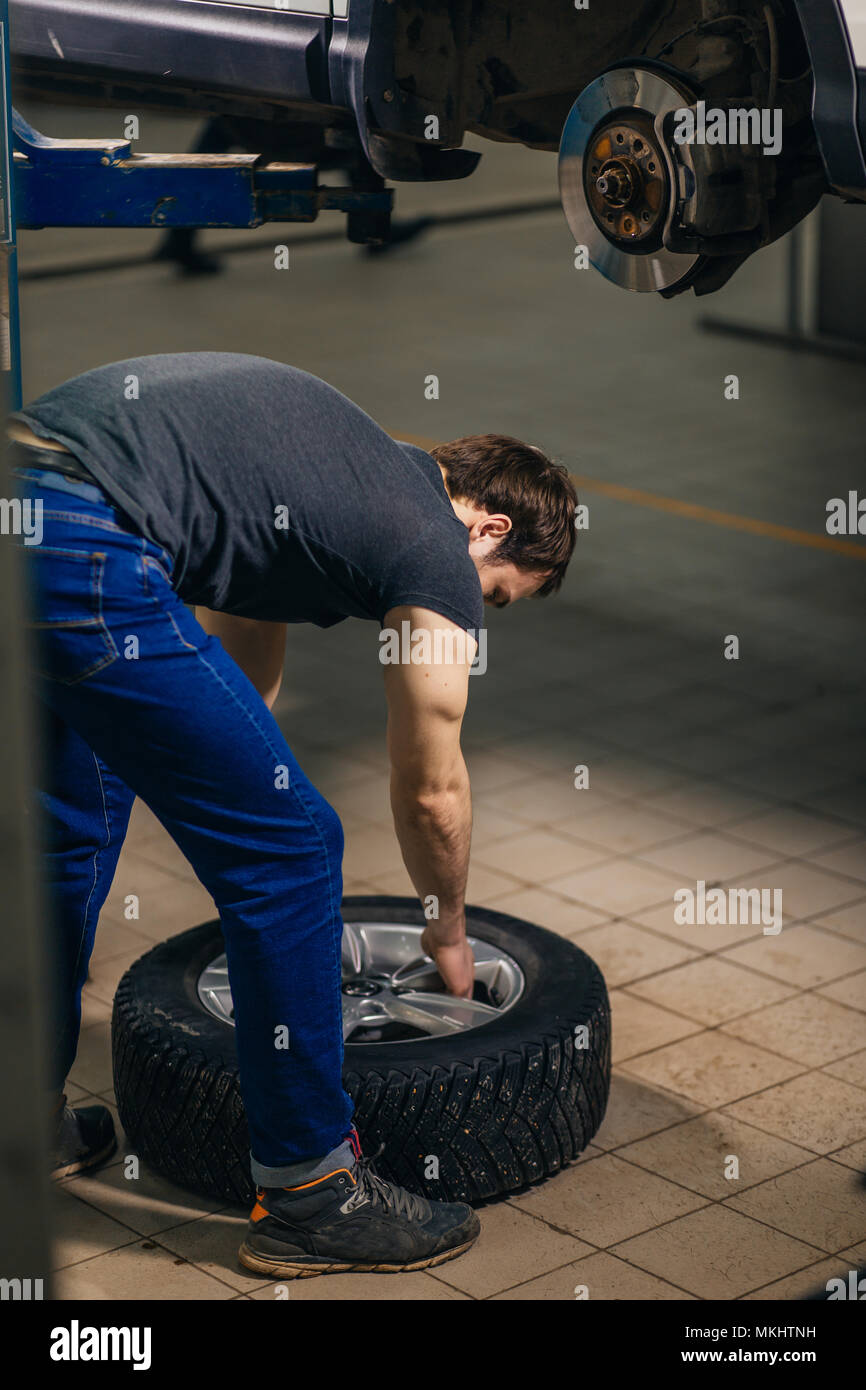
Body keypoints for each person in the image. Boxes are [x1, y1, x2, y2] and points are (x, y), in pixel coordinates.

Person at [9, 352, 577, 1278]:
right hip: (83, 538)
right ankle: (313, 1195)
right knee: (296, 849)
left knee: (65, 831)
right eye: (496, 596)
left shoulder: (330, 476)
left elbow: (241, 660)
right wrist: (447, 928)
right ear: (488, 528)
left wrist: (218, 771)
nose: (478, 611)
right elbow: (431, 781)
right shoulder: (430, 540)